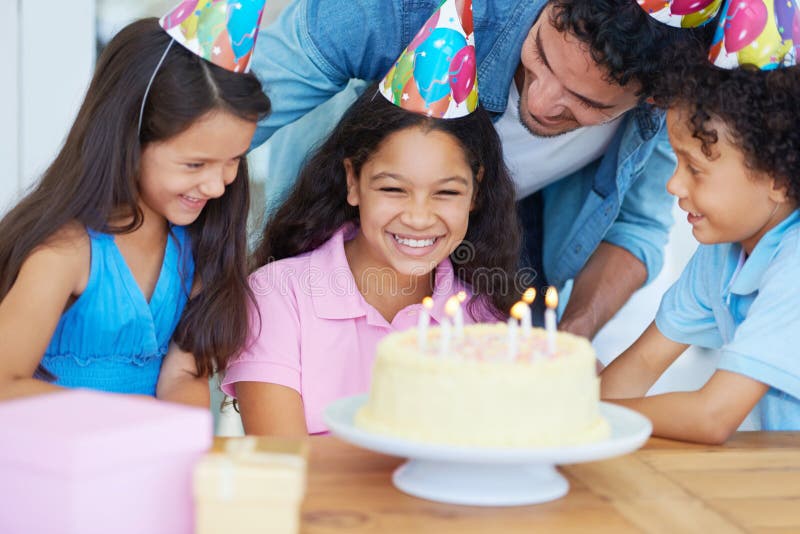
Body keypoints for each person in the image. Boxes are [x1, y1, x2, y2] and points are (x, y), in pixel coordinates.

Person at [246, 0, 717, 338]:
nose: (542, 101)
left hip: (500, 257)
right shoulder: (403, 8)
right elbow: (220, 119)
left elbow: (635, 227)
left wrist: (570, 335)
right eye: (542, 57)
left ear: (653, 98)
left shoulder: (664, 109)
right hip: (329, 226)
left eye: (585, 102)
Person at [222, 5, 520, 434]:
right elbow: (281, 462)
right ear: (353, 182)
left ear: (476, 192)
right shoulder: (277, 297)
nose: (419, 217)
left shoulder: (486, 316)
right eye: (393, 189)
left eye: (447, 192)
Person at [0, 6, 271, 404]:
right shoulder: (64, 252)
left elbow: (184, 376)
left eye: (233, 161)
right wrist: (131, 427)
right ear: (130, 139)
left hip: (146, 460)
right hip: (52, 461)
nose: (216, 186)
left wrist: (175, 441)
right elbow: (5, 383)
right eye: (195, 164)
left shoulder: (197, 245)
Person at [601, 31, 800, 443]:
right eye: (675, 160)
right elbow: (640, 365)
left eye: (695, 168)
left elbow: (713, 416)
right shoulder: (725, 252)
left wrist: (583, 415)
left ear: (779, 179)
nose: (673, 185)